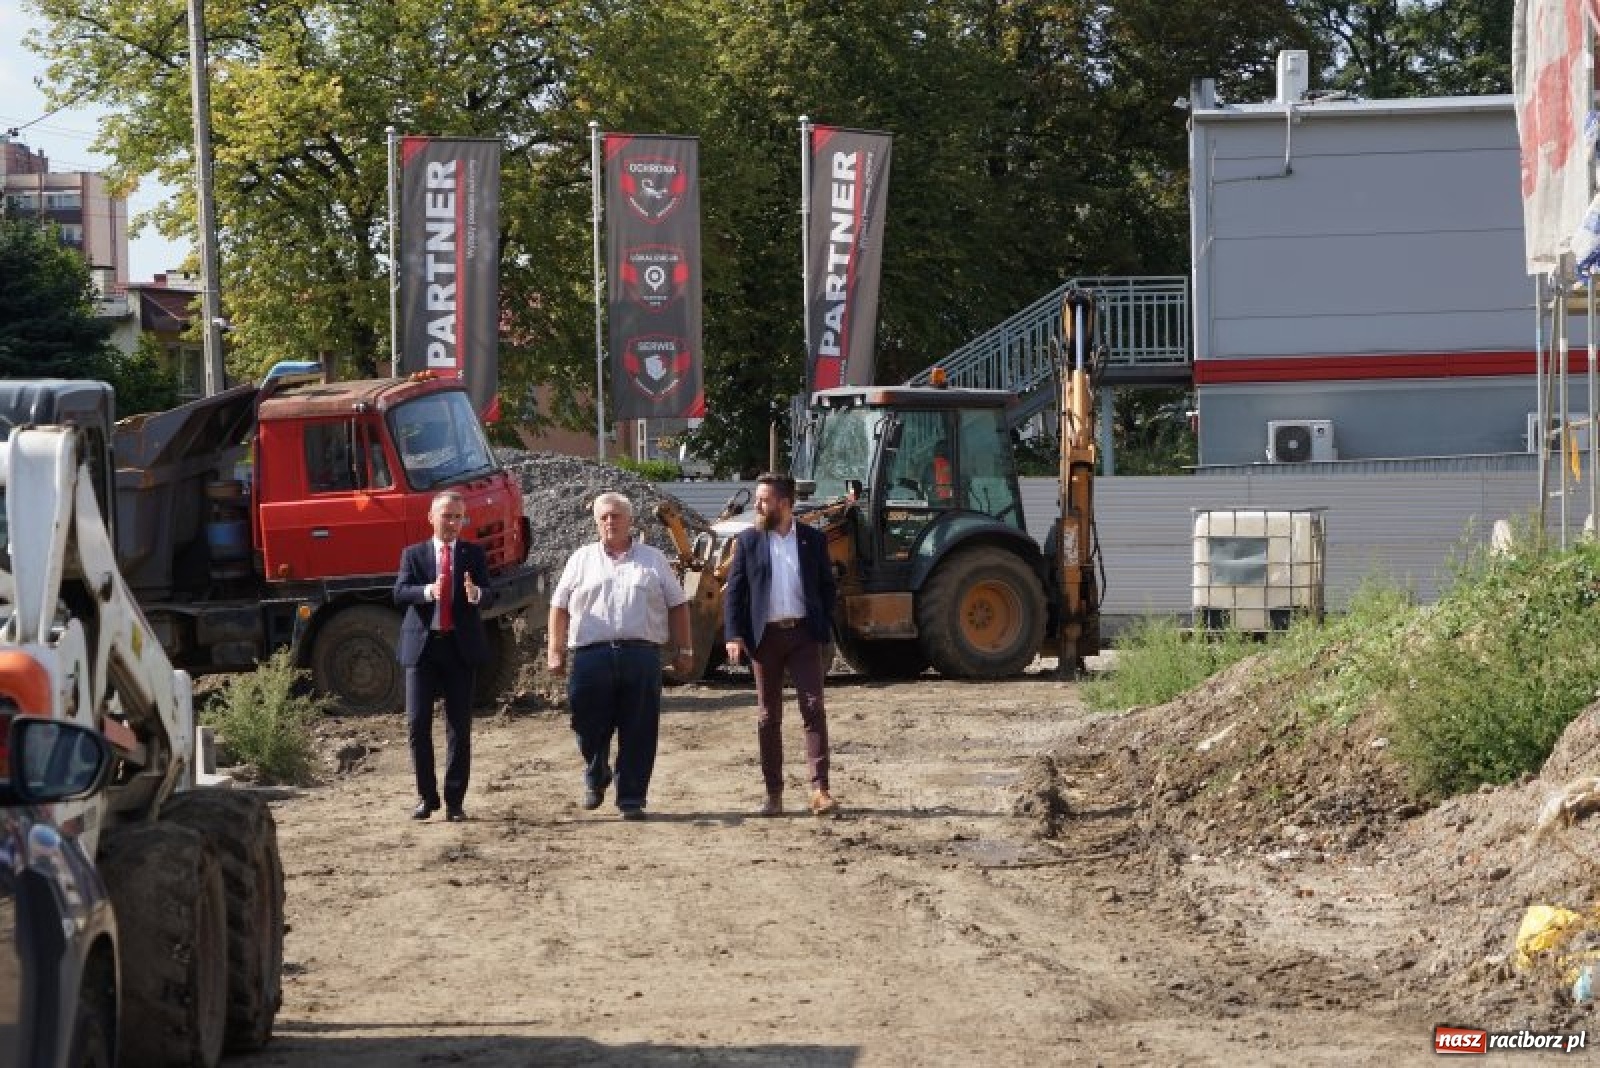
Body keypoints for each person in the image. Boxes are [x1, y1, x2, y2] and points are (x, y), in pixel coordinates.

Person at [547, 492, 693, 821]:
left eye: (616, 516)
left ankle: (631, 797)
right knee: (586, 723)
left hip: (640, 655)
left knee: (639, 728)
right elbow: (558, 606)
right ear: (596, 523)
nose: (610, 522)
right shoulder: (580, 559)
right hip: (590, 656)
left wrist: (684, 649)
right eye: (604, 518)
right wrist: (554, 649)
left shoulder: (653, 559)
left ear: (630, 520)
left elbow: (678, 604)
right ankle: (597, 774)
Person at [723, 472, 839, 817]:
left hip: (803, 636)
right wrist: (733, 635)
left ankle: (820, 790)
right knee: (768, 716)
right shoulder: (748, 542)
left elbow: (827, 587)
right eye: (757, 499)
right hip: (764, 639)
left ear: (784, 503)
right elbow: (736, 594)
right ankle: (774, 795)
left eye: (764, 500)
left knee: (813, 707)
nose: (757, 505)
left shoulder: (813, 541)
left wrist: (822, 622)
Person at [393, 490, 496, 822]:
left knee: (459, 728)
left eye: (458, 517)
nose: (452, 523)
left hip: (459, 648)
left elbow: (490, 594)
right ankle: (427, 798)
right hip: (422, 649)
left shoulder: (473, 554)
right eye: (447, 516)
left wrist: (476, 593)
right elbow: (399, 592)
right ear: (431, 518)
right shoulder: (414, 554)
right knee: (417, 724)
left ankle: (454, 802)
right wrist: (428, 592)